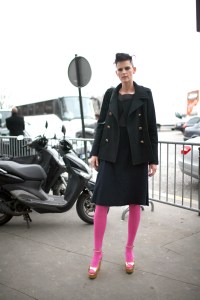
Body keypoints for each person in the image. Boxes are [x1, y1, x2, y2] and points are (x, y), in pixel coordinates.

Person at [88, 53, 158, 279]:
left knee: (135, 203)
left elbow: (150, 128)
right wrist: (95, 152)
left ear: (134, 70)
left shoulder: (145, 94)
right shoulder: (110, 94)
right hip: (111, 154)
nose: (124, 72)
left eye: (127, 68)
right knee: (100, 204)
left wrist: (153, 158)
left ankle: (129, 250)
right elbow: (101, 124)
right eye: (120, 69)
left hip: (136, 155)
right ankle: (97, 254)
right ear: (116, 72)